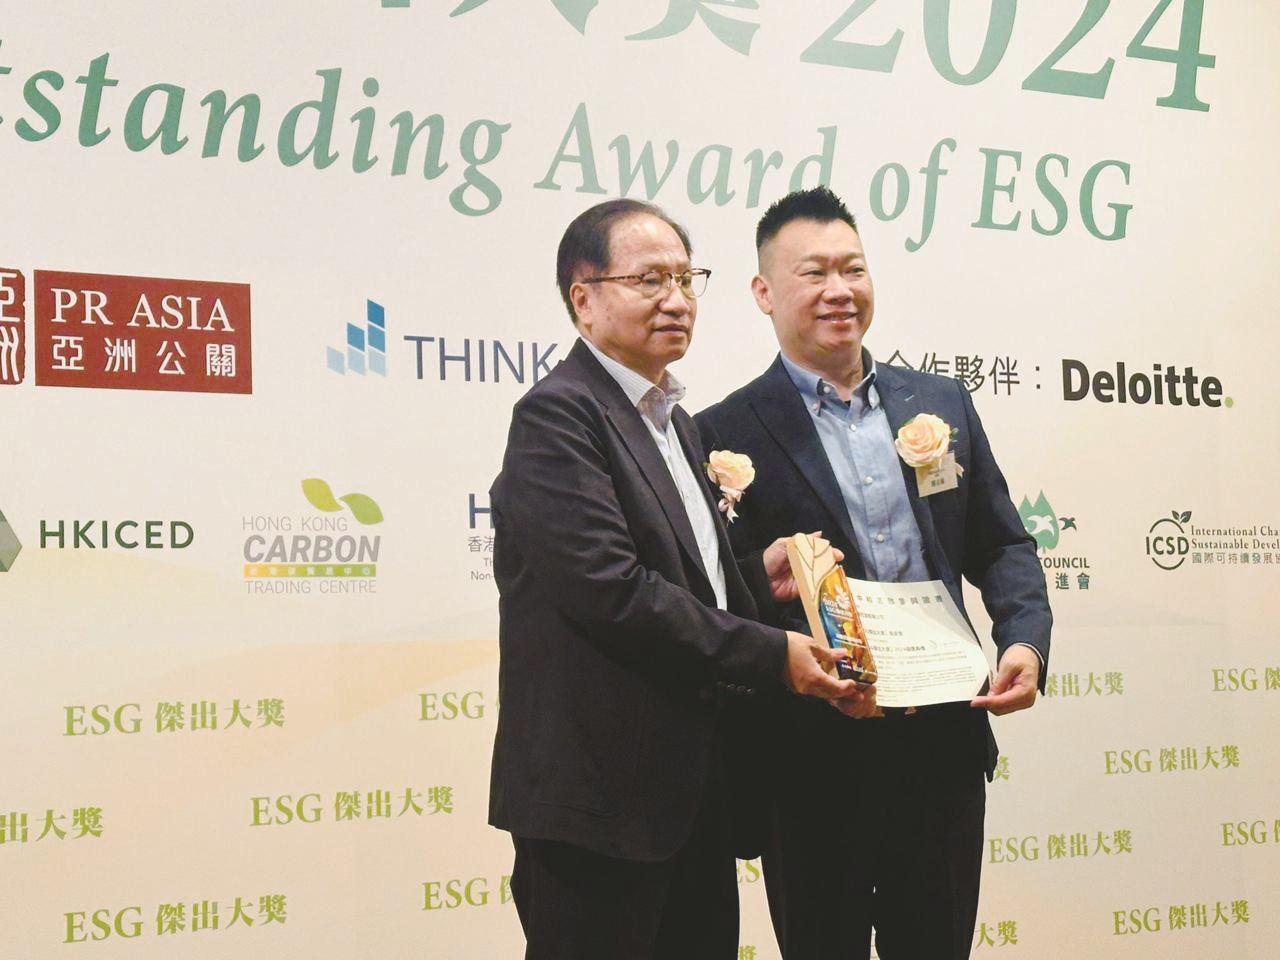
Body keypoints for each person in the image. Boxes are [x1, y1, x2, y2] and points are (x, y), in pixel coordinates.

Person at [488, 197, 865, 960]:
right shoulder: (558, 416)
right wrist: (773, 654)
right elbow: (613, 593)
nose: (676, 299)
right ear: (584, 299)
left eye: (686, 279)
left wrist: (754, 578)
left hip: (691, 795)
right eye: (649, 280)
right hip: (600, 804)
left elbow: (687, 582)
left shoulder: (673, 421)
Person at [695, 186, 1052, 960]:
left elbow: (1002, 544)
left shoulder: (940, 403)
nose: (839, 290)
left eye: (852, 269)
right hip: (811, 754)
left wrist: (1024, 641)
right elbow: (716, 596)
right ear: (763, 292)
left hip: (944, 738)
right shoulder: (720, 431)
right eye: (813, 272)